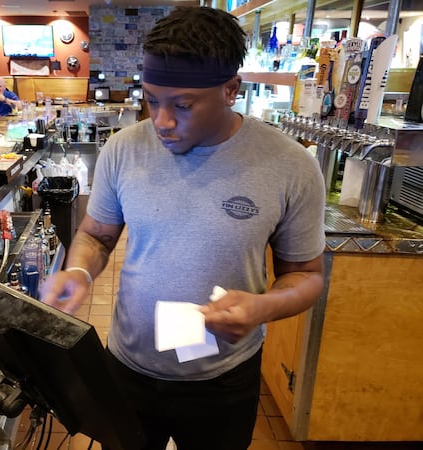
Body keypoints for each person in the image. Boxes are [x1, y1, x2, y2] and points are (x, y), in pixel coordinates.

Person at [39, 6, 325, 450]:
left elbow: (306, 276)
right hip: (128, 367)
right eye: (151, 99)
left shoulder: (289, 165)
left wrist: (263, 307)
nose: (161, 121)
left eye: (183, 105)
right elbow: (97, 235)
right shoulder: (123, 149)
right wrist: (78, 273)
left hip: (223, 378)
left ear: (232, 89)